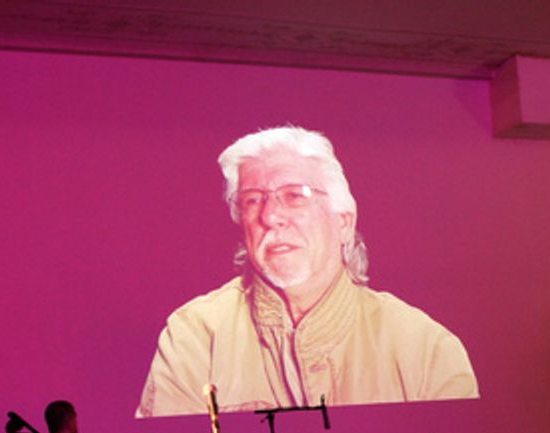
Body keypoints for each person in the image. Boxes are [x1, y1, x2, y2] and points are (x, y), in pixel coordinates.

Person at [136, 125, 478, 417]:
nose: (270, 216)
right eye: (253, 199)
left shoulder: (425, 348)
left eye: (295, 196)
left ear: (344, 222)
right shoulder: (195, 337)